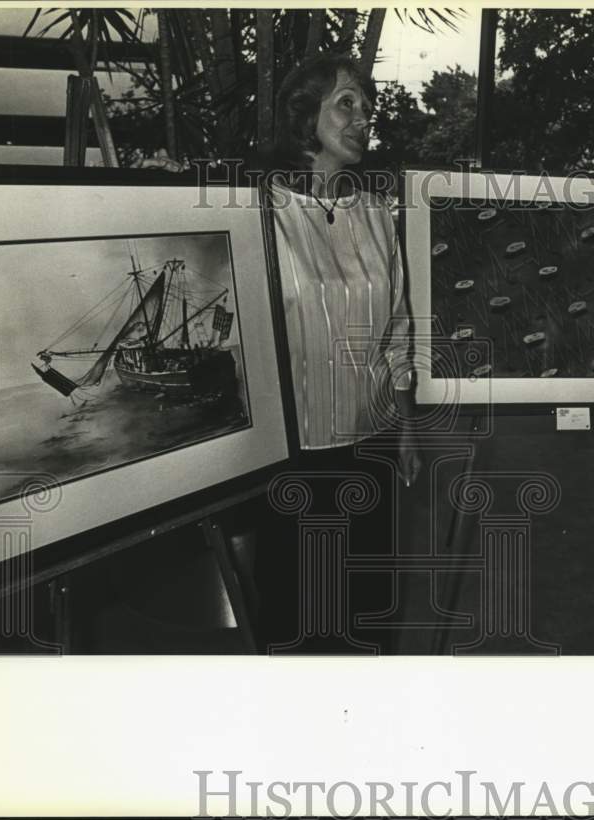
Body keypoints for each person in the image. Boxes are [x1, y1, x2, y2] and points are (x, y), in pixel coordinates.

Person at [258, 53, 421, 652]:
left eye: (367, 107)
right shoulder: (259, 209)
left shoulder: (377, 213)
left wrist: (405, 429)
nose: (362, 118)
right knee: (299, 613)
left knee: (367, 610)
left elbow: (398, 327)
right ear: (306, 115)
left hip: (372, 441)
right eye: (346, 103)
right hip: (294, 453)